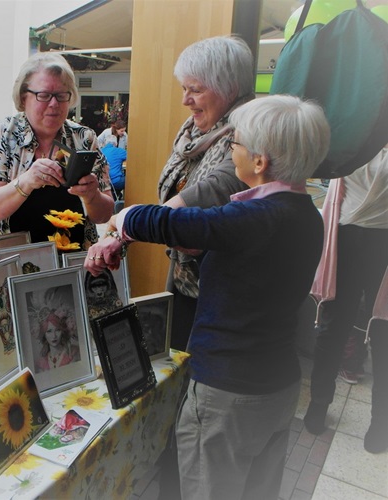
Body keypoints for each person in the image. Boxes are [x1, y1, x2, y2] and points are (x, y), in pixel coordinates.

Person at [86, 95, 330, 500]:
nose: (229, 152)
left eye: (235, 144)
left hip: (230, 393)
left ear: (259, 162)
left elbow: (177, 221)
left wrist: (122, 220)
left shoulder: (256, 218)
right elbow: (245, 258)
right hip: (277, 383)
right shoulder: (303, 214)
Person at [157, 35, 254, 352]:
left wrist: (141, 223)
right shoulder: (194, 131)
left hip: (222, 287)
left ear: (230, 88)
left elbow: (219, 185)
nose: (185, 100)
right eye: (184, 88)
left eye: (195, 90)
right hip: (186, 274)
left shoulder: (249, 130)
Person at [0, 52, 113, 248]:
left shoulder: (84, 138)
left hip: (71, 262)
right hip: (12, 262)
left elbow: (105, 214)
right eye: (44, 95)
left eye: (61, 95)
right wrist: (26, 181)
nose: (54, 104)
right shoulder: (2, 134)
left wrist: (92, 196)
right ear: (23, 97)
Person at [304, 144, 388, 454]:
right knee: (334, 327)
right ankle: (319, 404)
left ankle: (381, 421)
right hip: (347, 237)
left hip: (382, 241)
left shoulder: (358, 137)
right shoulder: (357, 134)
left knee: (383, 334)